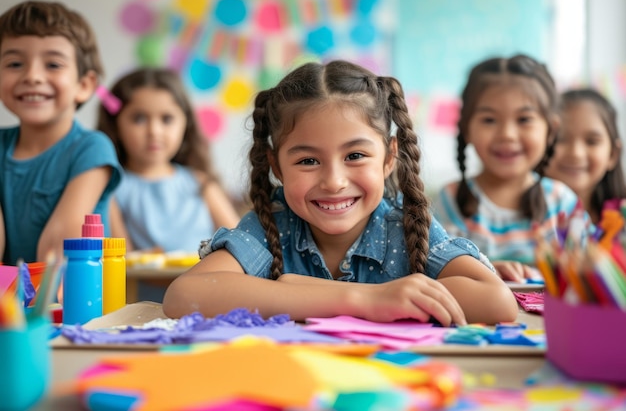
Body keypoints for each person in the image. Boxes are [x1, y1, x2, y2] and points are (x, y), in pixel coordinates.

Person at [163, 60, 518, 326]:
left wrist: (300, 292)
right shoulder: (272, 224)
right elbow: (184, 296)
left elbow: (497, 301)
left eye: (355, 156)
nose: (333, 181)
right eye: (307, 160)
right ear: (276, 165)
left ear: (389, 157)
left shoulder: (403, 225)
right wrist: (363, 299)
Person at [431, 54, 580, 283]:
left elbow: (590, 276)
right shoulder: (449, 203)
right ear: (467, 128)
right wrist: (482, 270)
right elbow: (432, 274)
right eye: (489, 120)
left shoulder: (562, 204)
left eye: (524, 119)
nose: (507, 134)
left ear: (550, 130)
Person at [97, 68, 240, 301]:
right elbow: (123, 262)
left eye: (167, 119)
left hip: (209, 300)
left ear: (186, 123)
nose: (154, 131)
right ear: (115, 124)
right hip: (142, 305)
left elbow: (241, 244)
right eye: (139, 118)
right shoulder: (111, 187)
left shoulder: (200, 182)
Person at [0, 0, 121, 265]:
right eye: (14, 64)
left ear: (85, 85)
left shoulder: (92, 148)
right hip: (11, 301)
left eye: (53, 65)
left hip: (75, 299)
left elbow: (57, 251)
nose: (32, 76)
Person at [545, 88, 626, 224]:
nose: (576, 153)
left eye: (591, 141)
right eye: (561, 139)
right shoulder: (518, 221)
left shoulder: (622, 219)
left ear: (613, 154)